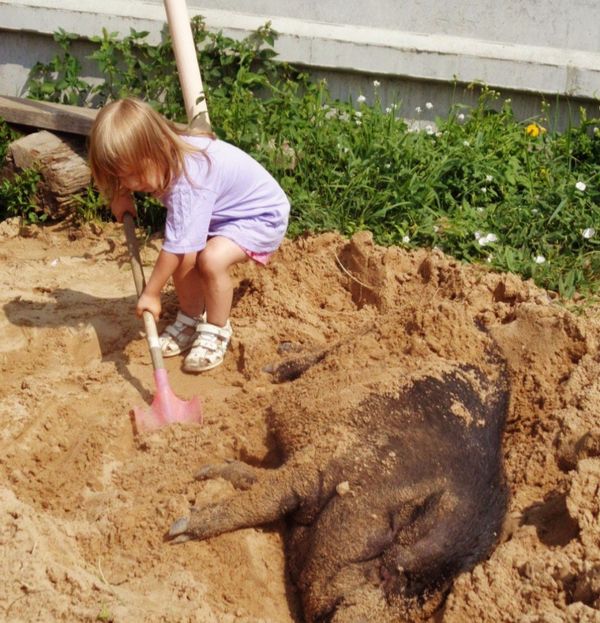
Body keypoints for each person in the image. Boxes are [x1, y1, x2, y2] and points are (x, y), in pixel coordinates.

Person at [88, 97, 290, 372]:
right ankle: (191, 316)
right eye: (122, 178)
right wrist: (119, 194)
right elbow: (180, 249)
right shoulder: (161, 152)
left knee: (210, 260)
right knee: (186, 256)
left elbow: (175, 248)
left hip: (260, 217)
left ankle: (216, 330)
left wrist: (151, 293)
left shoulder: (190, 181)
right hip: (220, 213)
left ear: (155, 148)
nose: (132, 184)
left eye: (134, 175)